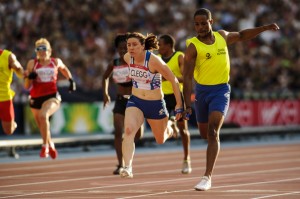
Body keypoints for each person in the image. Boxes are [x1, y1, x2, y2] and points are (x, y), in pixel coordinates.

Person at [183, 8, 280, 191]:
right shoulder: (193, 47)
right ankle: (209, 151)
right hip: (202, 92)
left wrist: (265, 27)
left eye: (204, 23)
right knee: (204, 133)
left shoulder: (222, 36)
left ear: (211, 22)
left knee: (213, 132)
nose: (200, 27)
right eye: (197, 24)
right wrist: (187, 105)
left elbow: (243, 35)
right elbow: (187, 77)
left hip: (221, 90)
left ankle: (207, 177)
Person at [120, 32, 183, 178]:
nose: (131, 48)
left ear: (143, 46)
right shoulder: (127, 58)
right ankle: (127, 167)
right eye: (128, 45)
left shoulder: (154, 61)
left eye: (135, 44)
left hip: (155, 104)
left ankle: (171, 126)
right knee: (129, 131)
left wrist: (179, 104)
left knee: (160, 139)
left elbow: (174, 80)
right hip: (136, 101)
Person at [24, 38, 76, 159]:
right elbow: (26, 86)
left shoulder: (55, 62)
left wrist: (71, 80)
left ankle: (44, 146)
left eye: (44, 48)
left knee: (43, 115)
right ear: (36, 51)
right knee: (42, 127)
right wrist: (30, 77)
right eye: (39, 49)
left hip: (52, 96)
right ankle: (50, 143)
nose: (42, 51)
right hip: (35, 98)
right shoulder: (32, 64)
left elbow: (64, 69)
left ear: (50, 50)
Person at [102, 34, 144, 175]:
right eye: (120, 49)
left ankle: (129, 147)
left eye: (125, 48)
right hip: (120, 101)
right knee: (118, 133)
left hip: (135, 100)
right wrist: (105, 94)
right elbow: (104, 77)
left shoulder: (136, 62)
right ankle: (121, 164)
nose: (122, 51)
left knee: (137, 135)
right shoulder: (114, 63)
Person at [158, 34, 192, 174]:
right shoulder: (157, 60)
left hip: (178, 95)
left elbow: (185, 77)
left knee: (184, 129)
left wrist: (169, 77)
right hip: (162, 96)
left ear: (168, 45)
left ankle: (186, 159)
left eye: (160, 44)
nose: (158, 47)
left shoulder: (179, 56)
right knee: (162, 126)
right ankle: (173, 124)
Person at [0, 49, 24, 135]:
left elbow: (19, 69)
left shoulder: (8, 56)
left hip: (4, 98)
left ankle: (13, 124)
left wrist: (19, 70)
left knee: (8, 131)